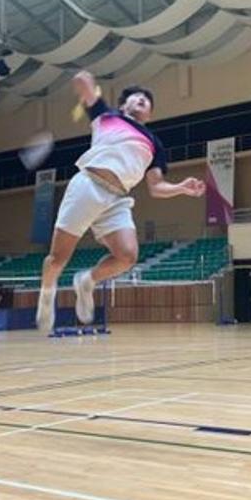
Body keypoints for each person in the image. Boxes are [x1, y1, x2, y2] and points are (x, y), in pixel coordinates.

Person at [36, 70, 206, 333]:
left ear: (150, 114)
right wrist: (84, 81)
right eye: (136, 97)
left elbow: (156, 187)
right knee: (58, 259)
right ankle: (47, 294)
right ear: (123, 105)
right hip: (88, 186)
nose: (142, 100)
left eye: (146, 100)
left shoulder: (154, 144)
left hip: (116, 198)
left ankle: (87, 281)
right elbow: (85, 87)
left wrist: (181, 187)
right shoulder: (106, 116)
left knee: (127, 256)